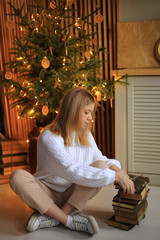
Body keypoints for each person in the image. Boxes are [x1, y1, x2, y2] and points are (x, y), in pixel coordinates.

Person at [10, 87, 135, 235]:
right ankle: (68, 220)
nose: (90, 118)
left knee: (101, 166)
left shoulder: (85, 135)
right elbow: (71, 170)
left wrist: (118, 171)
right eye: (86, 113)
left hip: (72, 194)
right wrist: (114, 177)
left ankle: (54, 217)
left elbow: (100, 160)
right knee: (17, 176)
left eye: (91, 113)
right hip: (46, 193)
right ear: (72, 111)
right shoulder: (48, 137)